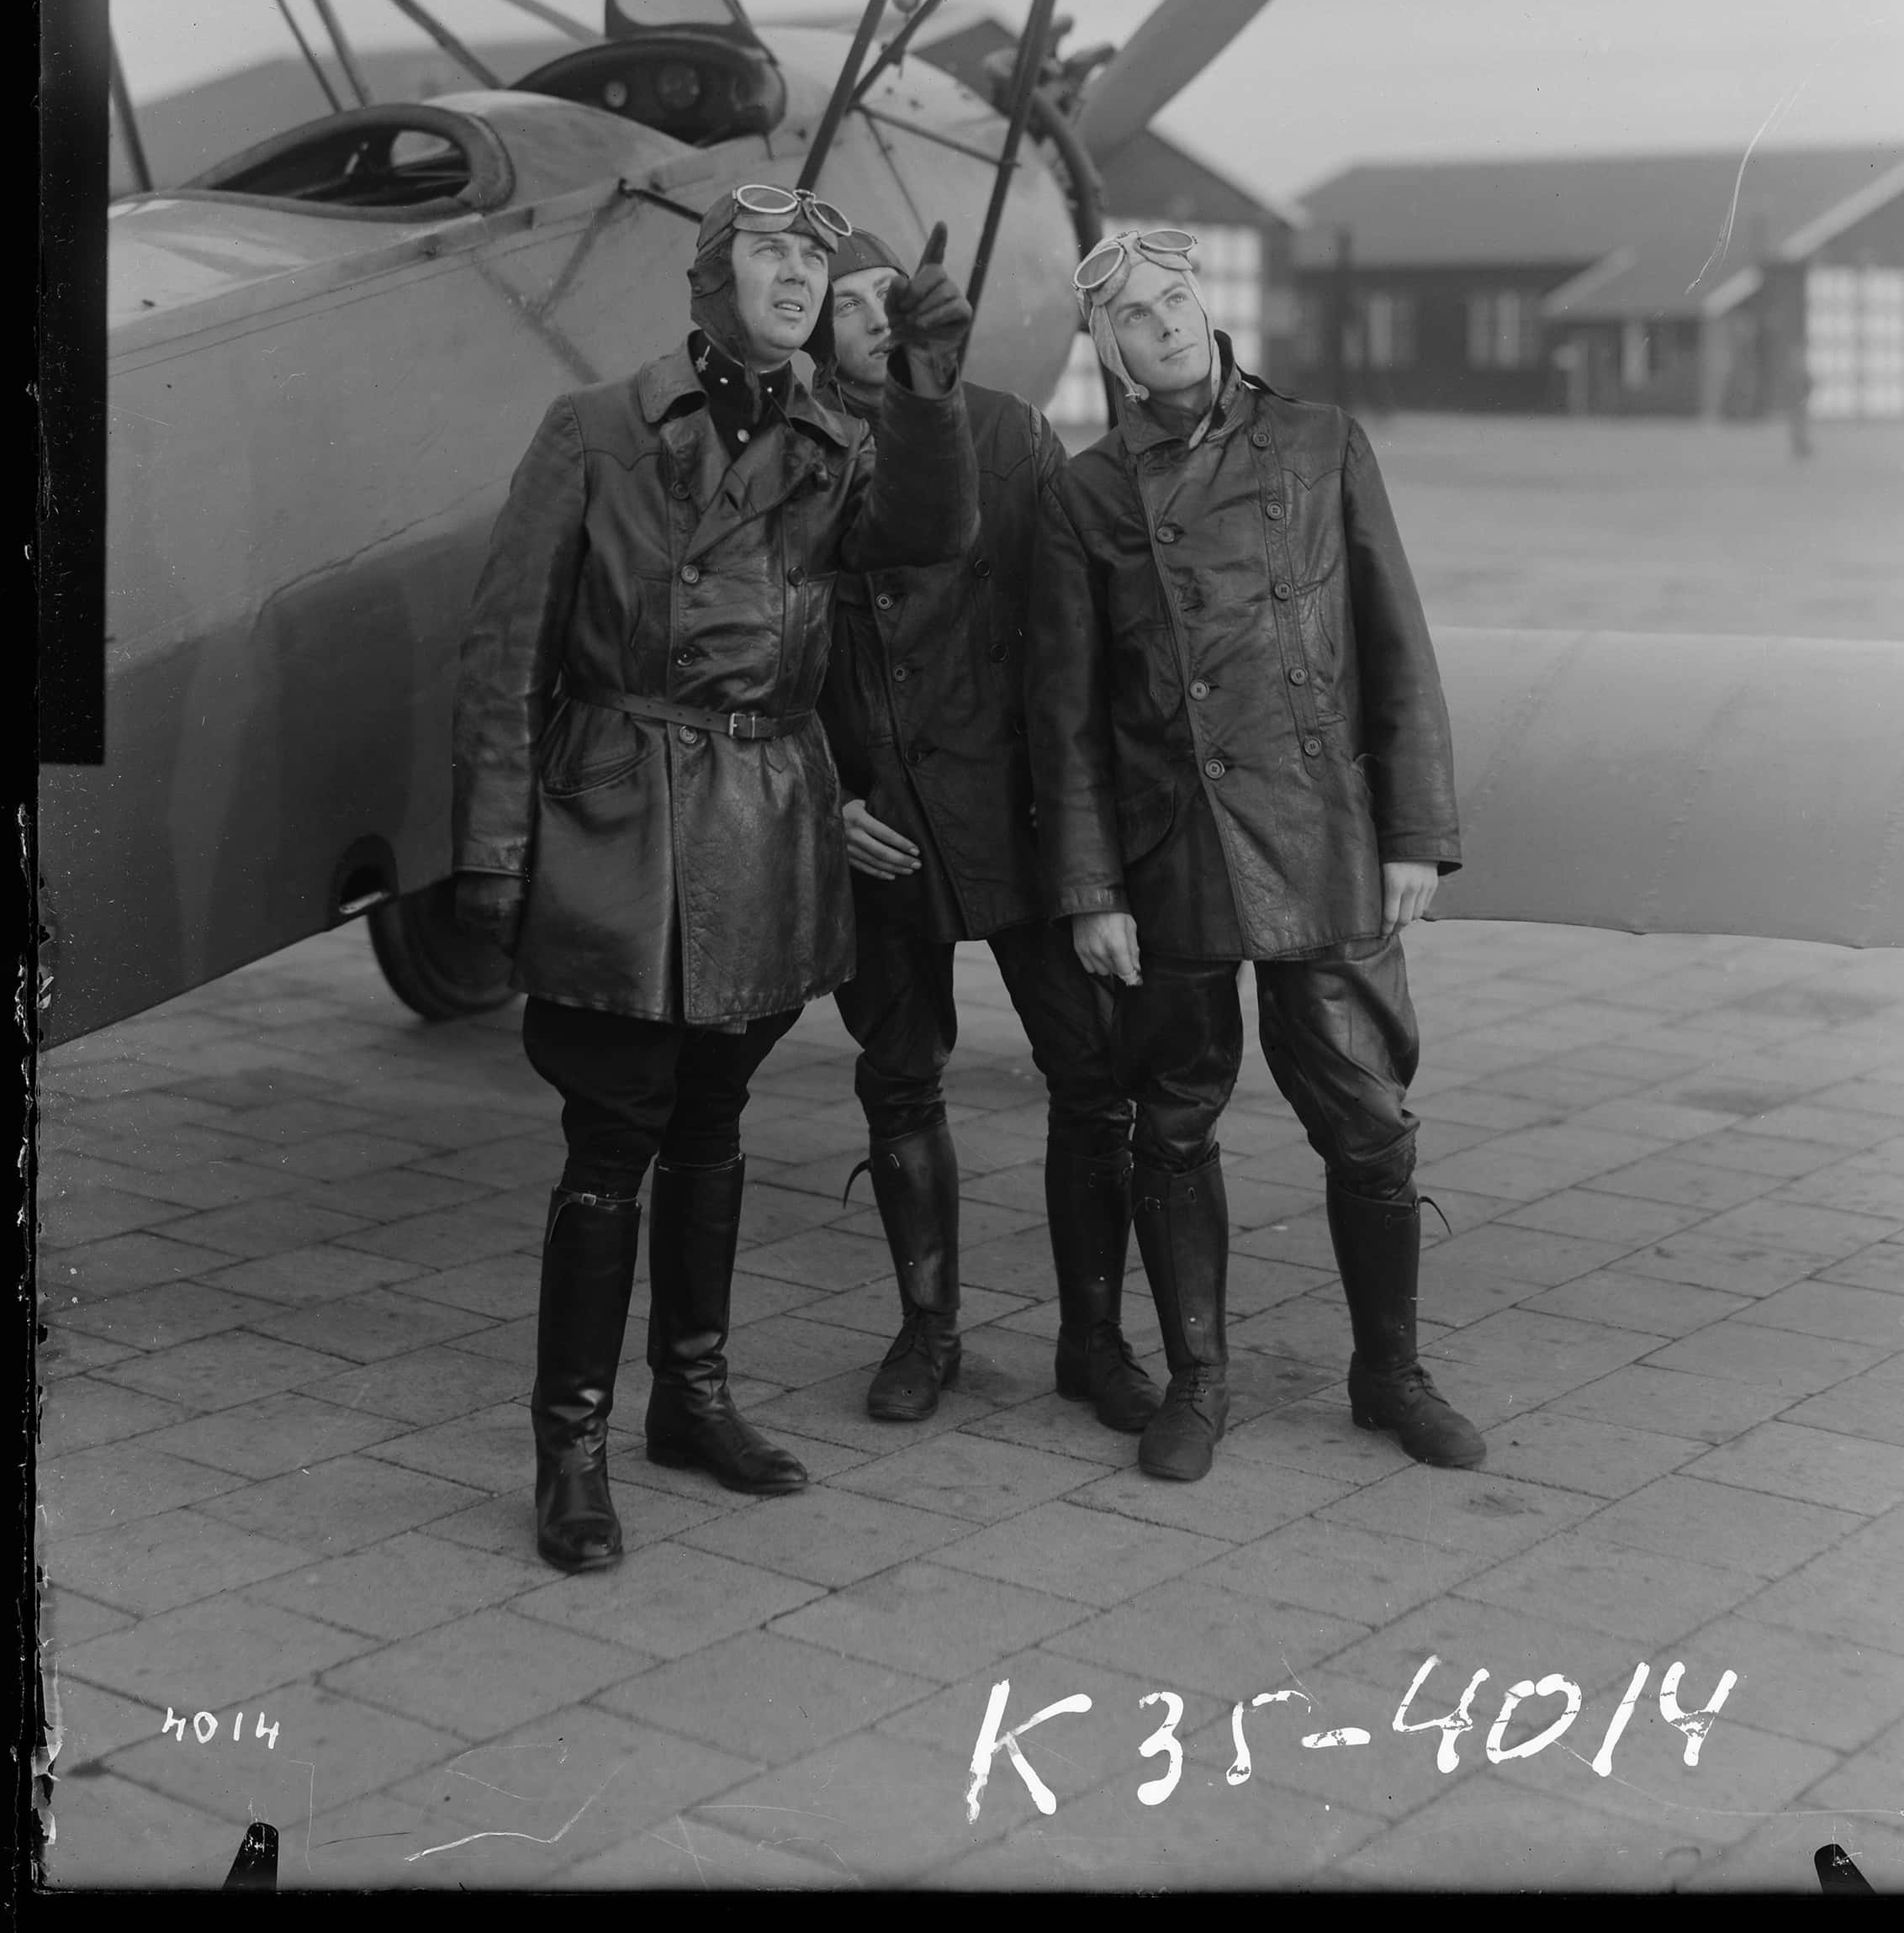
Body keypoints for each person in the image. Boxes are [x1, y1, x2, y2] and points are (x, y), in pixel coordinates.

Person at [452, 181, 977, 1571]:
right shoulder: (597, 428)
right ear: (709, 279)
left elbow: (928, 534)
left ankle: (691, 1400)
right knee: (611, 1137)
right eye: (769, 253)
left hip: (761, 823)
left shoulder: (835, 438)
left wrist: (926, 393)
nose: (798, 275)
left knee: (713, 1122)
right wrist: (493, 851)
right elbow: (505, 654)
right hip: (620, 820)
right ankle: (571, 1448)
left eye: (814, 257)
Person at [1028, 229, 1488, 1484]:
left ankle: (1391, 1374)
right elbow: (1067, 716)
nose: (1168, 322)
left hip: (1324, 831)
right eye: (1137, 316)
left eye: (1177, 296)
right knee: (1173, 1122)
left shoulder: (1322, 442)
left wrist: (1415, 835)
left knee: (1369, 1122)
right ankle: (1199, 1382)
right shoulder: (1086, 495)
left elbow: (1396, 644)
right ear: (1111, 353)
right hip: (1173, 846)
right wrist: (1091, 892)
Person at [813, 230, 1161, 1434]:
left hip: (1018, 810)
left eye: (889, 295)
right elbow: (761, 643)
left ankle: (1095, 1341)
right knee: (899, 1077)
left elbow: (1076, 626)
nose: (874, 317)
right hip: (880, 821)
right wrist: (823, 799)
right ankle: (928, 1331)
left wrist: (1091, 819)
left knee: (1094, 1075)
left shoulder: (1010, 432)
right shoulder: (796, 452)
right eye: (846, 304)